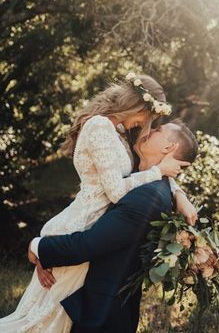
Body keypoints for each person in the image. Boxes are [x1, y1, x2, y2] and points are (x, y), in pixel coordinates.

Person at [0, 73, 196, 333]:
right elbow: (120, 188)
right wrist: (41, 247)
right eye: (150, 118)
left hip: (87, 237)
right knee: (40, 321)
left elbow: (139, 174)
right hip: (79, 226)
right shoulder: (102, 127)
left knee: (47, 320)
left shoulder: (119, 132)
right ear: (137, 106)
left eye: (155, 125)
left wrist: (178, 192)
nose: (148, 126)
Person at [29, 120, 199, 333]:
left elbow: (88, 245)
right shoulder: (144, 179)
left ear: (168, 148)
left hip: (101, 316)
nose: (149, 130)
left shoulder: (148, 198)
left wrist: (38, 247)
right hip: (87, 300)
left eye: (158, 130)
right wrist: (179, 192)